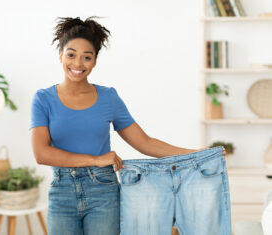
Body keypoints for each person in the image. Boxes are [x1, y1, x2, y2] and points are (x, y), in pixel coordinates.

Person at [29, 16, 226, 235]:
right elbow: (41, 153)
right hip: (62, 191)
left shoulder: (108, 98)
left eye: (87, 57)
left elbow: (145, 142)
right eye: (71, 54)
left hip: (102, 191)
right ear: (60, 56)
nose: (77, 63)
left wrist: (195, 154)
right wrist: (96, 159)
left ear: (94, 62)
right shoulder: (43, 99)